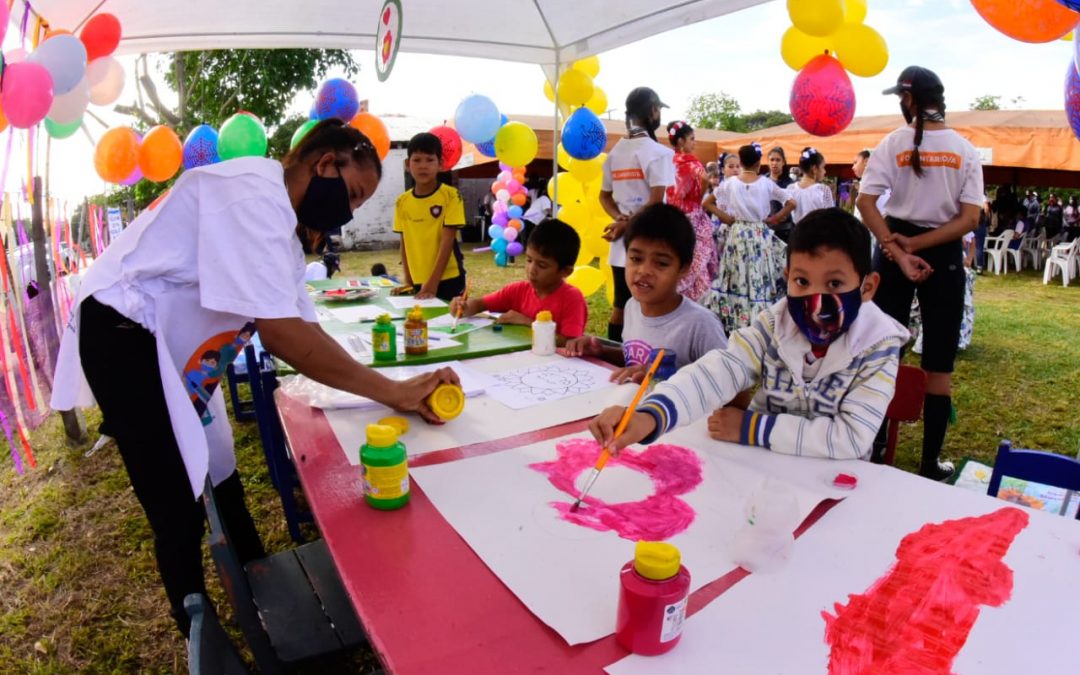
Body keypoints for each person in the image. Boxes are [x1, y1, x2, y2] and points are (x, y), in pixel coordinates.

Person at [49, 120, 459, 637]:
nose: (349, 212)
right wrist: (392, 392)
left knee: (220, 467)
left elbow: (305, 327)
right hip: (124, 332)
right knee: (174, 504)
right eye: (352, 195)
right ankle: (202, 634)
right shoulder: (251, 195)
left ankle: (258, 582)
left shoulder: (278, 226)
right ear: (325, 164)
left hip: (171, 343)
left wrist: (393, 388)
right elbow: (285, 337)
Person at [588, 209, 908, 460]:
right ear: (787, 278)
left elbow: (852, 437)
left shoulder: (878, 344)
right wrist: (650, 416)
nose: (814, 300)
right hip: (758, 467)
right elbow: (720, 370)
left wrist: (752, 427)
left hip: (829, 483)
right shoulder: (775, 324)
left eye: (835, 284)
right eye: (801, 282)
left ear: (867, 288)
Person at [857, 66, 983, 481]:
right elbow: (968, 219)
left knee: (880, 353)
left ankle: (873, 448)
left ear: (908, 100)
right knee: (939, 364)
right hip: (943, 256)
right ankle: (930, 462)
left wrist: (898, 246)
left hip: (893, 253)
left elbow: (866, 202)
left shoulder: (891, 143)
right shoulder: (965, 149)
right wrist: (917, 247)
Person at [562, 204, 728, 383]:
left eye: (661, 263)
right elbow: (634, 359)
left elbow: (735, 393)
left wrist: (660, 376)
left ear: (683, 269)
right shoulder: (632, 306)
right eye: (636, 259)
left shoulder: (700, 325)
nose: (644, 270)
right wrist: (601, 352)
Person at [599, 86, 675, 343]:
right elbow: (656, 201)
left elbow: (604, 196)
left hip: (621, 246)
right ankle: (642, 357)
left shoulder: (615, 153)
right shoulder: (659, 153)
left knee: (621, 306)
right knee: (650, 306)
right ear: (653, 111)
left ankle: (614, 358)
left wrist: (620, 219)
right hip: (651, 245)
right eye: (658, 110)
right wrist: (627, 224)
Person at [704, 143, 795, 334]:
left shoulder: (730, 183)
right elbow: (791, 202)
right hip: (759, 233)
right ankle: (757, 322)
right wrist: (774, 219)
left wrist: (726, 218)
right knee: (758, 275)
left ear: (741, 162)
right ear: (758, 162)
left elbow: (707, 203)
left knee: (737, 275)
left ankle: (735, 320)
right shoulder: (766, 183)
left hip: (737, 234)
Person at [450, 218, 587, 340]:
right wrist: (464, 307)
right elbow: (480, 304)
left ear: (565, 271)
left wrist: (529, 323)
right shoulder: (518, 291)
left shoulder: (572, 299)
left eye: (542, 265)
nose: (531, 270)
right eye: (528, 260)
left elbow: (571, 343)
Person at [393, 132, 468, 301]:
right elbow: (404, 242)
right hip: (419, 281)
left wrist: (432, 284)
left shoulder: (451, 196)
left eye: (429, 160)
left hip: (449, 279)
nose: (423, 166)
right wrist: (408, 280)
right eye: (417, 160)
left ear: (440, 164)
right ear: (407, 164)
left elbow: (447, 241)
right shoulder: (402, 201)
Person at [664, 120, 718, 302]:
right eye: (692, 139)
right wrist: (703, 188)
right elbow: (703, 178)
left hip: (670, 218)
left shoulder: (667, 160)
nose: (694, 143)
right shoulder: (690, 161)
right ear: (681, 141)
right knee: (698, 262)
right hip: (691, 217)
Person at [702, 151, 740, 256]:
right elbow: (705, 203)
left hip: (740, 230)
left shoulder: (743, 185)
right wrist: (723, 215)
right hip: (724, 228)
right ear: (723, 170)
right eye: (731, 167)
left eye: (738, 166)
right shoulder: (722, 187)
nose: (735, 169)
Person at [787, 147, 834, 224]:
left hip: (797, 233)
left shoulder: (790, 188)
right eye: (823, 167)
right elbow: (831, 218)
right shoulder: (823, 190)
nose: (824, 171)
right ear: (814, 168)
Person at [766, 146, 795, 242]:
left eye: (778, 160)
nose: (774, 163)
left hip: (785, 230)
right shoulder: (762, 181)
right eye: (772, 160)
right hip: (766, 229)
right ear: (768, 162)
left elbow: (793, 206)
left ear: (783, 162)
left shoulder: (790, 183)